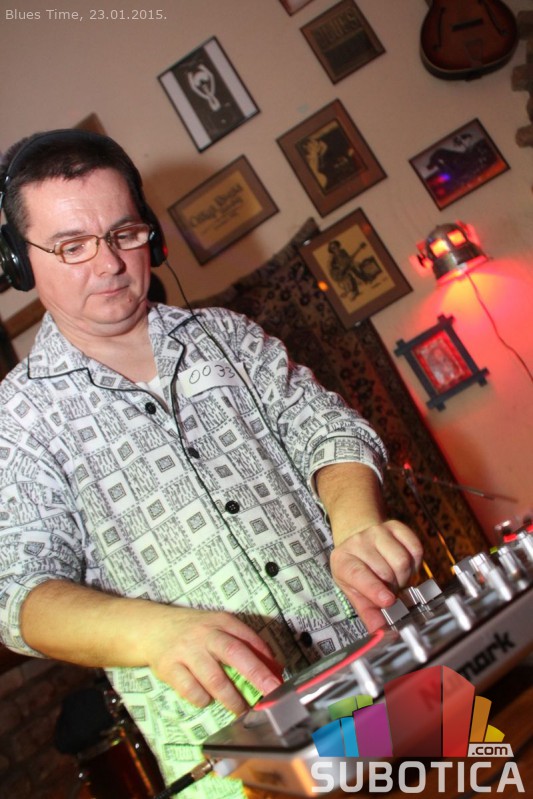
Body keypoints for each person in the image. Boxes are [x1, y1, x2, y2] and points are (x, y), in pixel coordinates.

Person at [0, 129, 423, 798]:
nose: (108, 264)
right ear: (20, 263)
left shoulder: (224, 334)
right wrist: (154, 632)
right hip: (241, 763)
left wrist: (355, 524)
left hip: (380, 682)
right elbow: (17, 593)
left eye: (124, 233)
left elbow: (327, 427)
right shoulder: (18, 417)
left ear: (151, 234)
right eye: (71, 246)